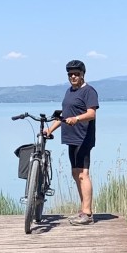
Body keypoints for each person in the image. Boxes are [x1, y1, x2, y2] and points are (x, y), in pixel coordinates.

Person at [44, 59, 99, 226]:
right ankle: (83, 210)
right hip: (71, 138)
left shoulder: (89, 91)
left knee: (83, 174)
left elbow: (91, 114)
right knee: (75, 173)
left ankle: (87, 214)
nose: (73, 76)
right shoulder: (69, 91)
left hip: (83, 138)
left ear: (83, 74)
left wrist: (77, 119)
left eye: (76, 74)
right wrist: (50, 130)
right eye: (70, 74)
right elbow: (64, 115)